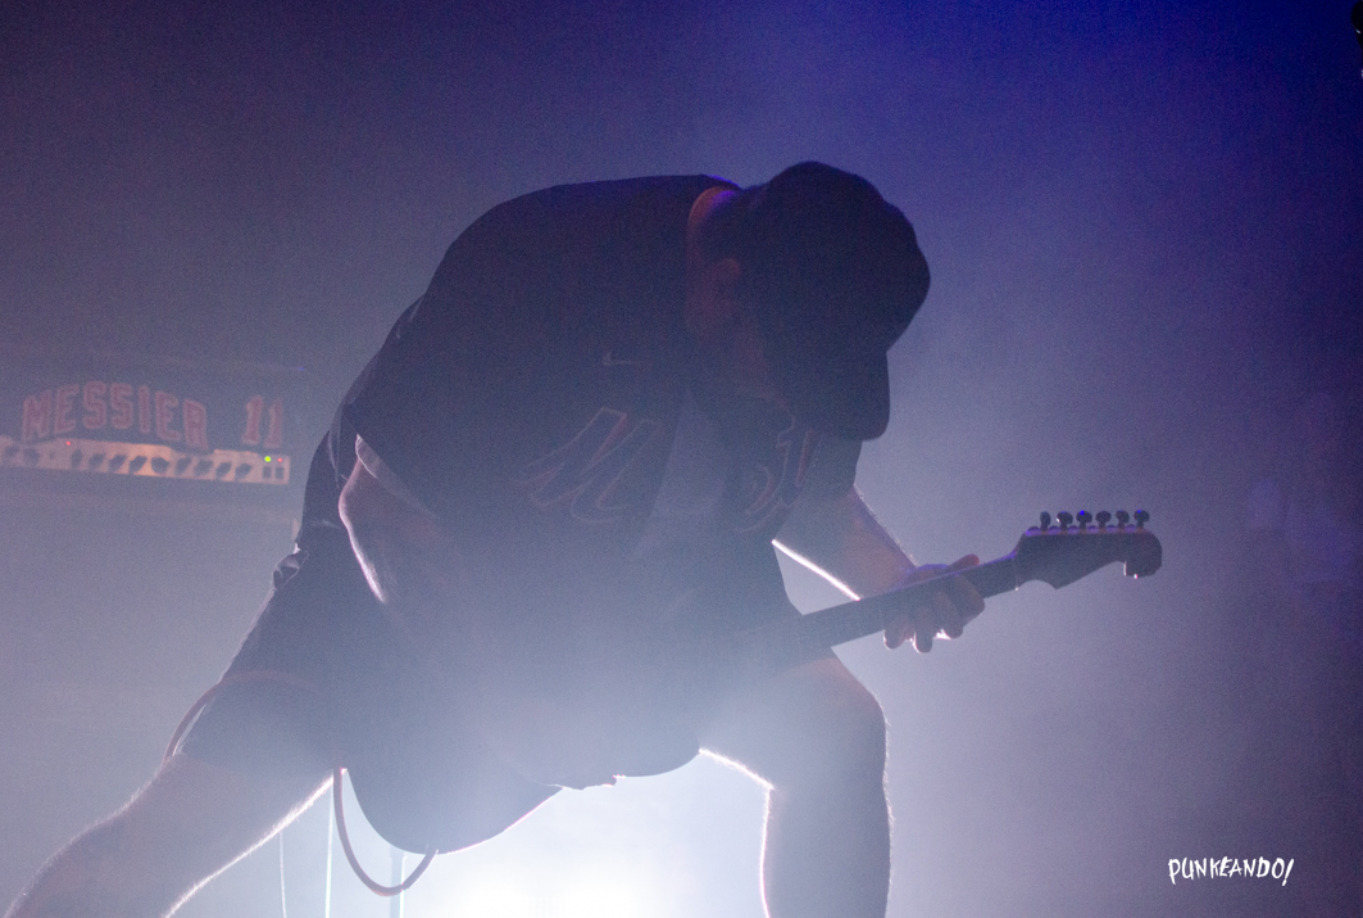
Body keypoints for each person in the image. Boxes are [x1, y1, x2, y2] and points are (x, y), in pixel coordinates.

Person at [5, 162, 983, 918]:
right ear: (723, 291)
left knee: (838, 735)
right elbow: (383, 511)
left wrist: (893, 577)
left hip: (646, 581)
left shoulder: (806, 320)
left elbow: (808, 492)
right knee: (170, 838)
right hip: (403, 577)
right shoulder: (538, 269)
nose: (792, 397)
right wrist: (508, 706)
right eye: (786, 371)